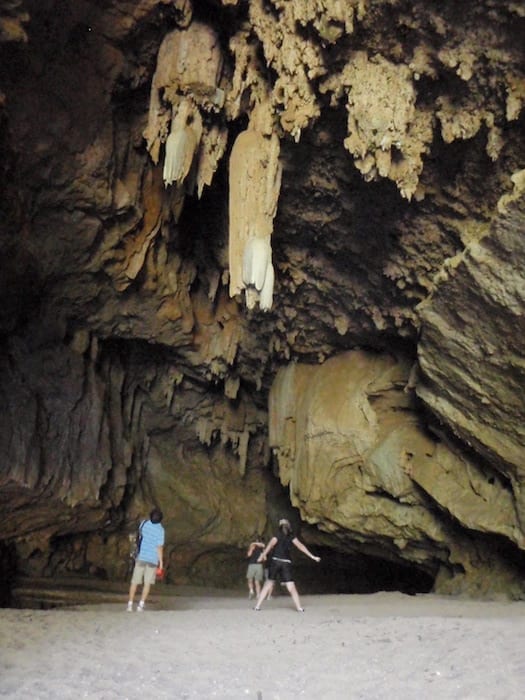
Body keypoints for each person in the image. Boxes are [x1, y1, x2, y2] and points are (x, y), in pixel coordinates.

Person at [254, 518, 320, 612]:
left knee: (268, 583)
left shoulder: (276, 535)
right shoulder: (291, 536)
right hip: (286, 563)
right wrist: (312, 556)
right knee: (291, 586)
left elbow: (269, 546)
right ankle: (299, 608)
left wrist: (262, 556)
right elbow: (300, 546)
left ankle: (257, 606)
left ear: (280, 526)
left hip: (275, 561)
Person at [126, 507, 165, 612]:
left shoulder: (144, 524)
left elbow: (140, 535)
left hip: (141, 557)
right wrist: (161, 562)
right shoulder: (161, 530)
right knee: (147, 584)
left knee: (134, 582)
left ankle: (130, 605)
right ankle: (140, 605)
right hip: (152, 560)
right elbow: (159, 547)